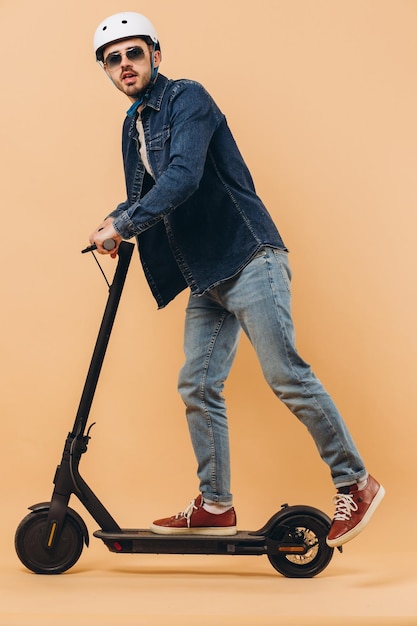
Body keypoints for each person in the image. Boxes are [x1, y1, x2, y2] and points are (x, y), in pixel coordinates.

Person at [89, 11, 384, 547]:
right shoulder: (133, 127)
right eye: (114, 59)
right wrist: (113, 224)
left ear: (156, 54)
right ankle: (216, 503)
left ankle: (357, 483)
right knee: (197, 385)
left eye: (134, 53)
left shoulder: (189, 99)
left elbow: (183, 174)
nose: (126, 65)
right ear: (106, 71)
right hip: (206, 276)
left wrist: (128, 222)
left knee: (287, 375)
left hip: (249, 258)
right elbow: (140, 198)